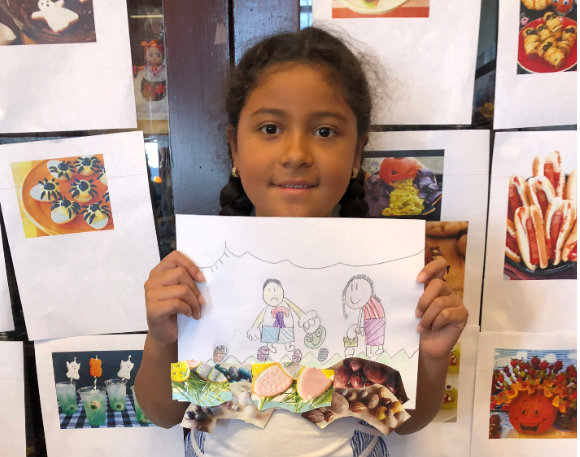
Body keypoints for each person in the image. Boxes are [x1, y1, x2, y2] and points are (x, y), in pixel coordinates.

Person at [135, 26, 468, 457]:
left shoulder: (393, 277)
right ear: (235, 147)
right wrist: (162, 340)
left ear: (357, 154)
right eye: (270, 128)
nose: (296, 154)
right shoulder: (196, 273)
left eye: (324, 132)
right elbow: (162, 413)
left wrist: (433, 357)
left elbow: (406, 423)